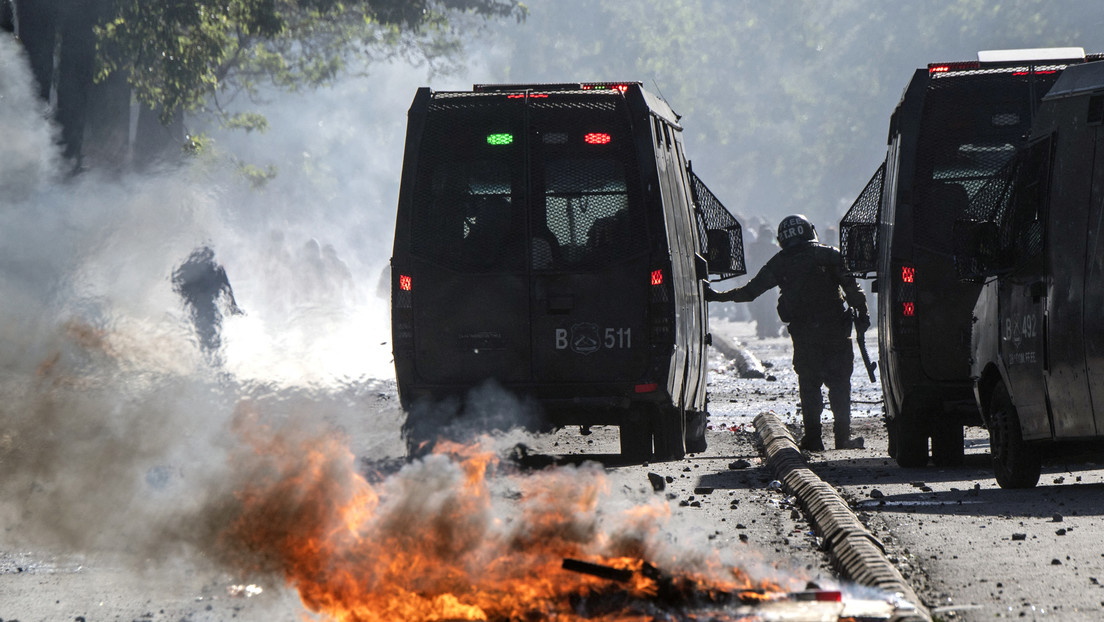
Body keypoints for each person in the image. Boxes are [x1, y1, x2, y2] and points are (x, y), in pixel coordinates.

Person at [706, 215, 869, 451]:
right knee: (840, 384)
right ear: (810, 231)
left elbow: (750, 292)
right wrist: (863, 318)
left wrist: (717, 296)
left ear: (782, 239)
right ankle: (842, 438)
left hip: (804, 335)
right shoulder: (830, 254)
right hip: (836, 331)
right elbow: (853, 292)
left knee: (809, 384)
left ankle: (814, 438)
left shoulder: (780, 262)